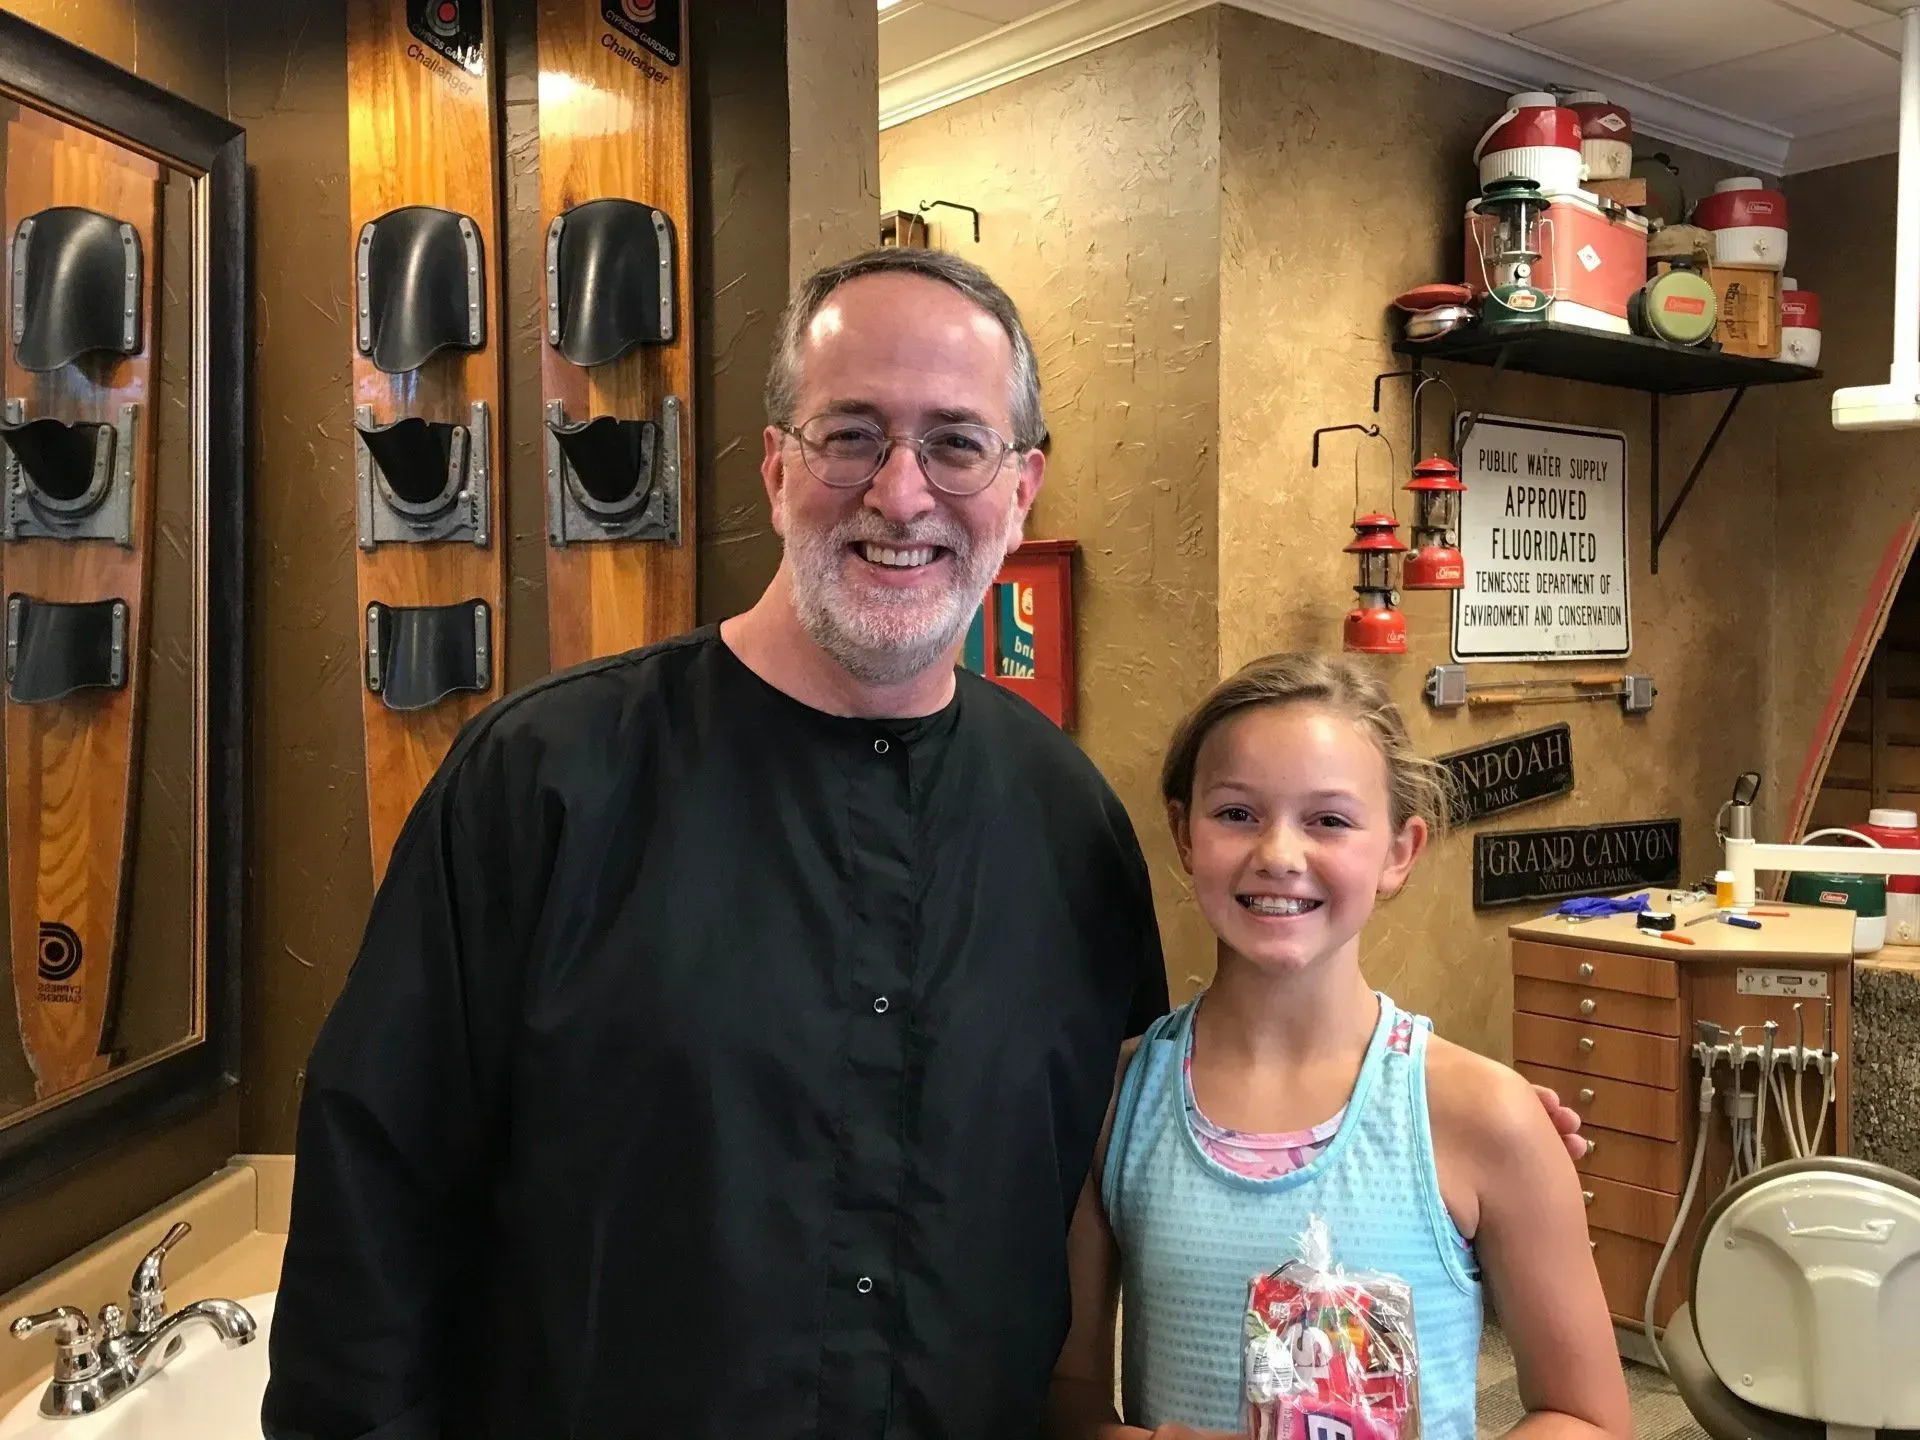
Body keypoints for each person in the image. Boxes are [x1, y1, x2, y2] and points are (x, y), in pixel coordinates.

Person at [262, 248, 1585, 1440]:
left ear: (1020, 487)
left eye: (956, 443)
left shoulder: (1068, 826)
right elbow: (374, 1217)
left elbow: (1140, 1136)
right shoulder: (543, 786)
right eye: (853, 435)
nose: (902, 492)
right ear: (777, 465)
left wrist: (1453, 1125)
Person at [1044, 654, 1632, 1440]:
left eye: (1329, 820)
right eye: (1237, 814)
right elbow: (1066, 1396)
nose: (1280, 855)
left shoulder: (1482, 1114)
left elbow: (1587, 1415)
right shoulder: (1117, 1104)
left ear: (1399, 850)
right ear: (1184, 833)